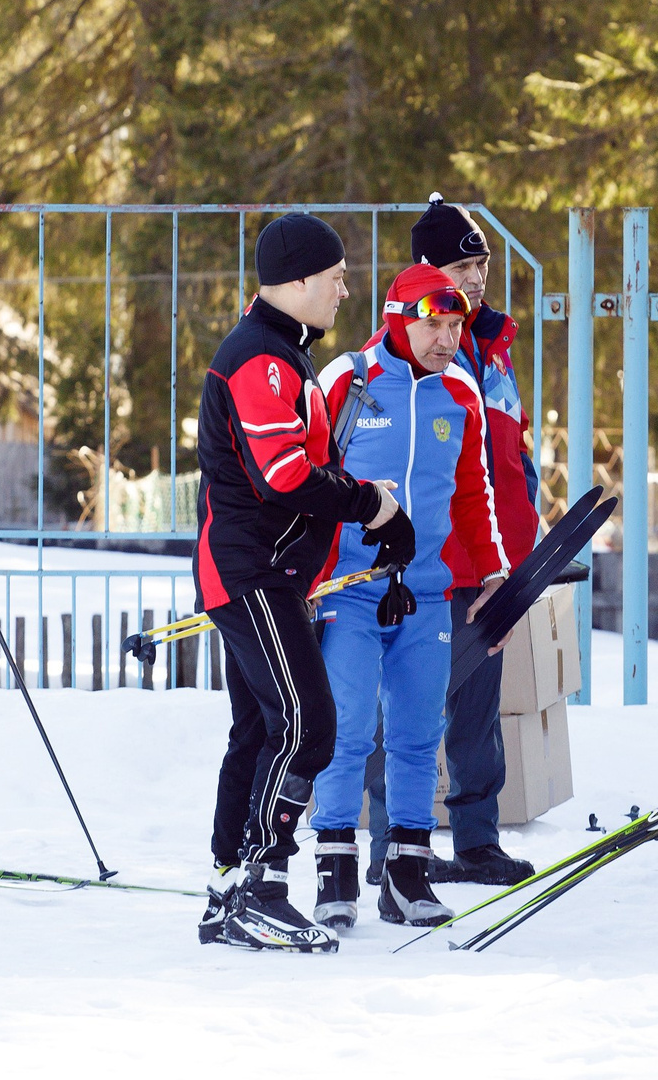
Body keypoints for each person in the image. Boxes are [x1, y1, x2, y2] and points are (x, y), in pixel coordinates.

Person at [194, 213, 411, 952]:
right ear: (295, 283)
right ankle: (259, 881)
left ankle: (231, 886)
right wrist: (370, 502)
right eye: (336, 277)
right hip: (250, 570)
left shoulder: (285, 353)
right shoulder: (262, 359)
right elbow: (284, 476)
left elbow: (303, 468)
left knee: (260, 729)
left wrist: (367, 499)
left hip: (266, 570)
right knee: (308, 724)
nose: (346, 289)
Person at [310, 263, 512, 931]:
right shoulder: (348, 378)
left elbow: (472, 496)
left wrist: (493, 574)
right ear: (401, 318)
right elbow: (309, 485)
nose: (447, 339)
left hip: (425, 592)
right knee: (345, 731)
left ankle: (407, 878)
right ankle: (334, 876)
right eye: (434, 325)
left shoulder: (462, 391)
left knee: (421, 737)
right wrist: (303, 579)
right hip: (353, 589)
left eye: (455, 327)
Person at [397, 194, 540, 890]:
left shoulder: (494, 343)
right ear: (427, 266)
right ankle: (399, 846)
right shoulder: (419, 346)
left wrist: (527, 528)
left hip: (496, 562)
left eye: (480, 261)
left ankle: (478, 840)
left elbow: (510, 450)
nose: (476, 276)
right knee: (417, 705)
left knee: (480, 706)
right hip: (438, 561)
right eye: (461, 263)